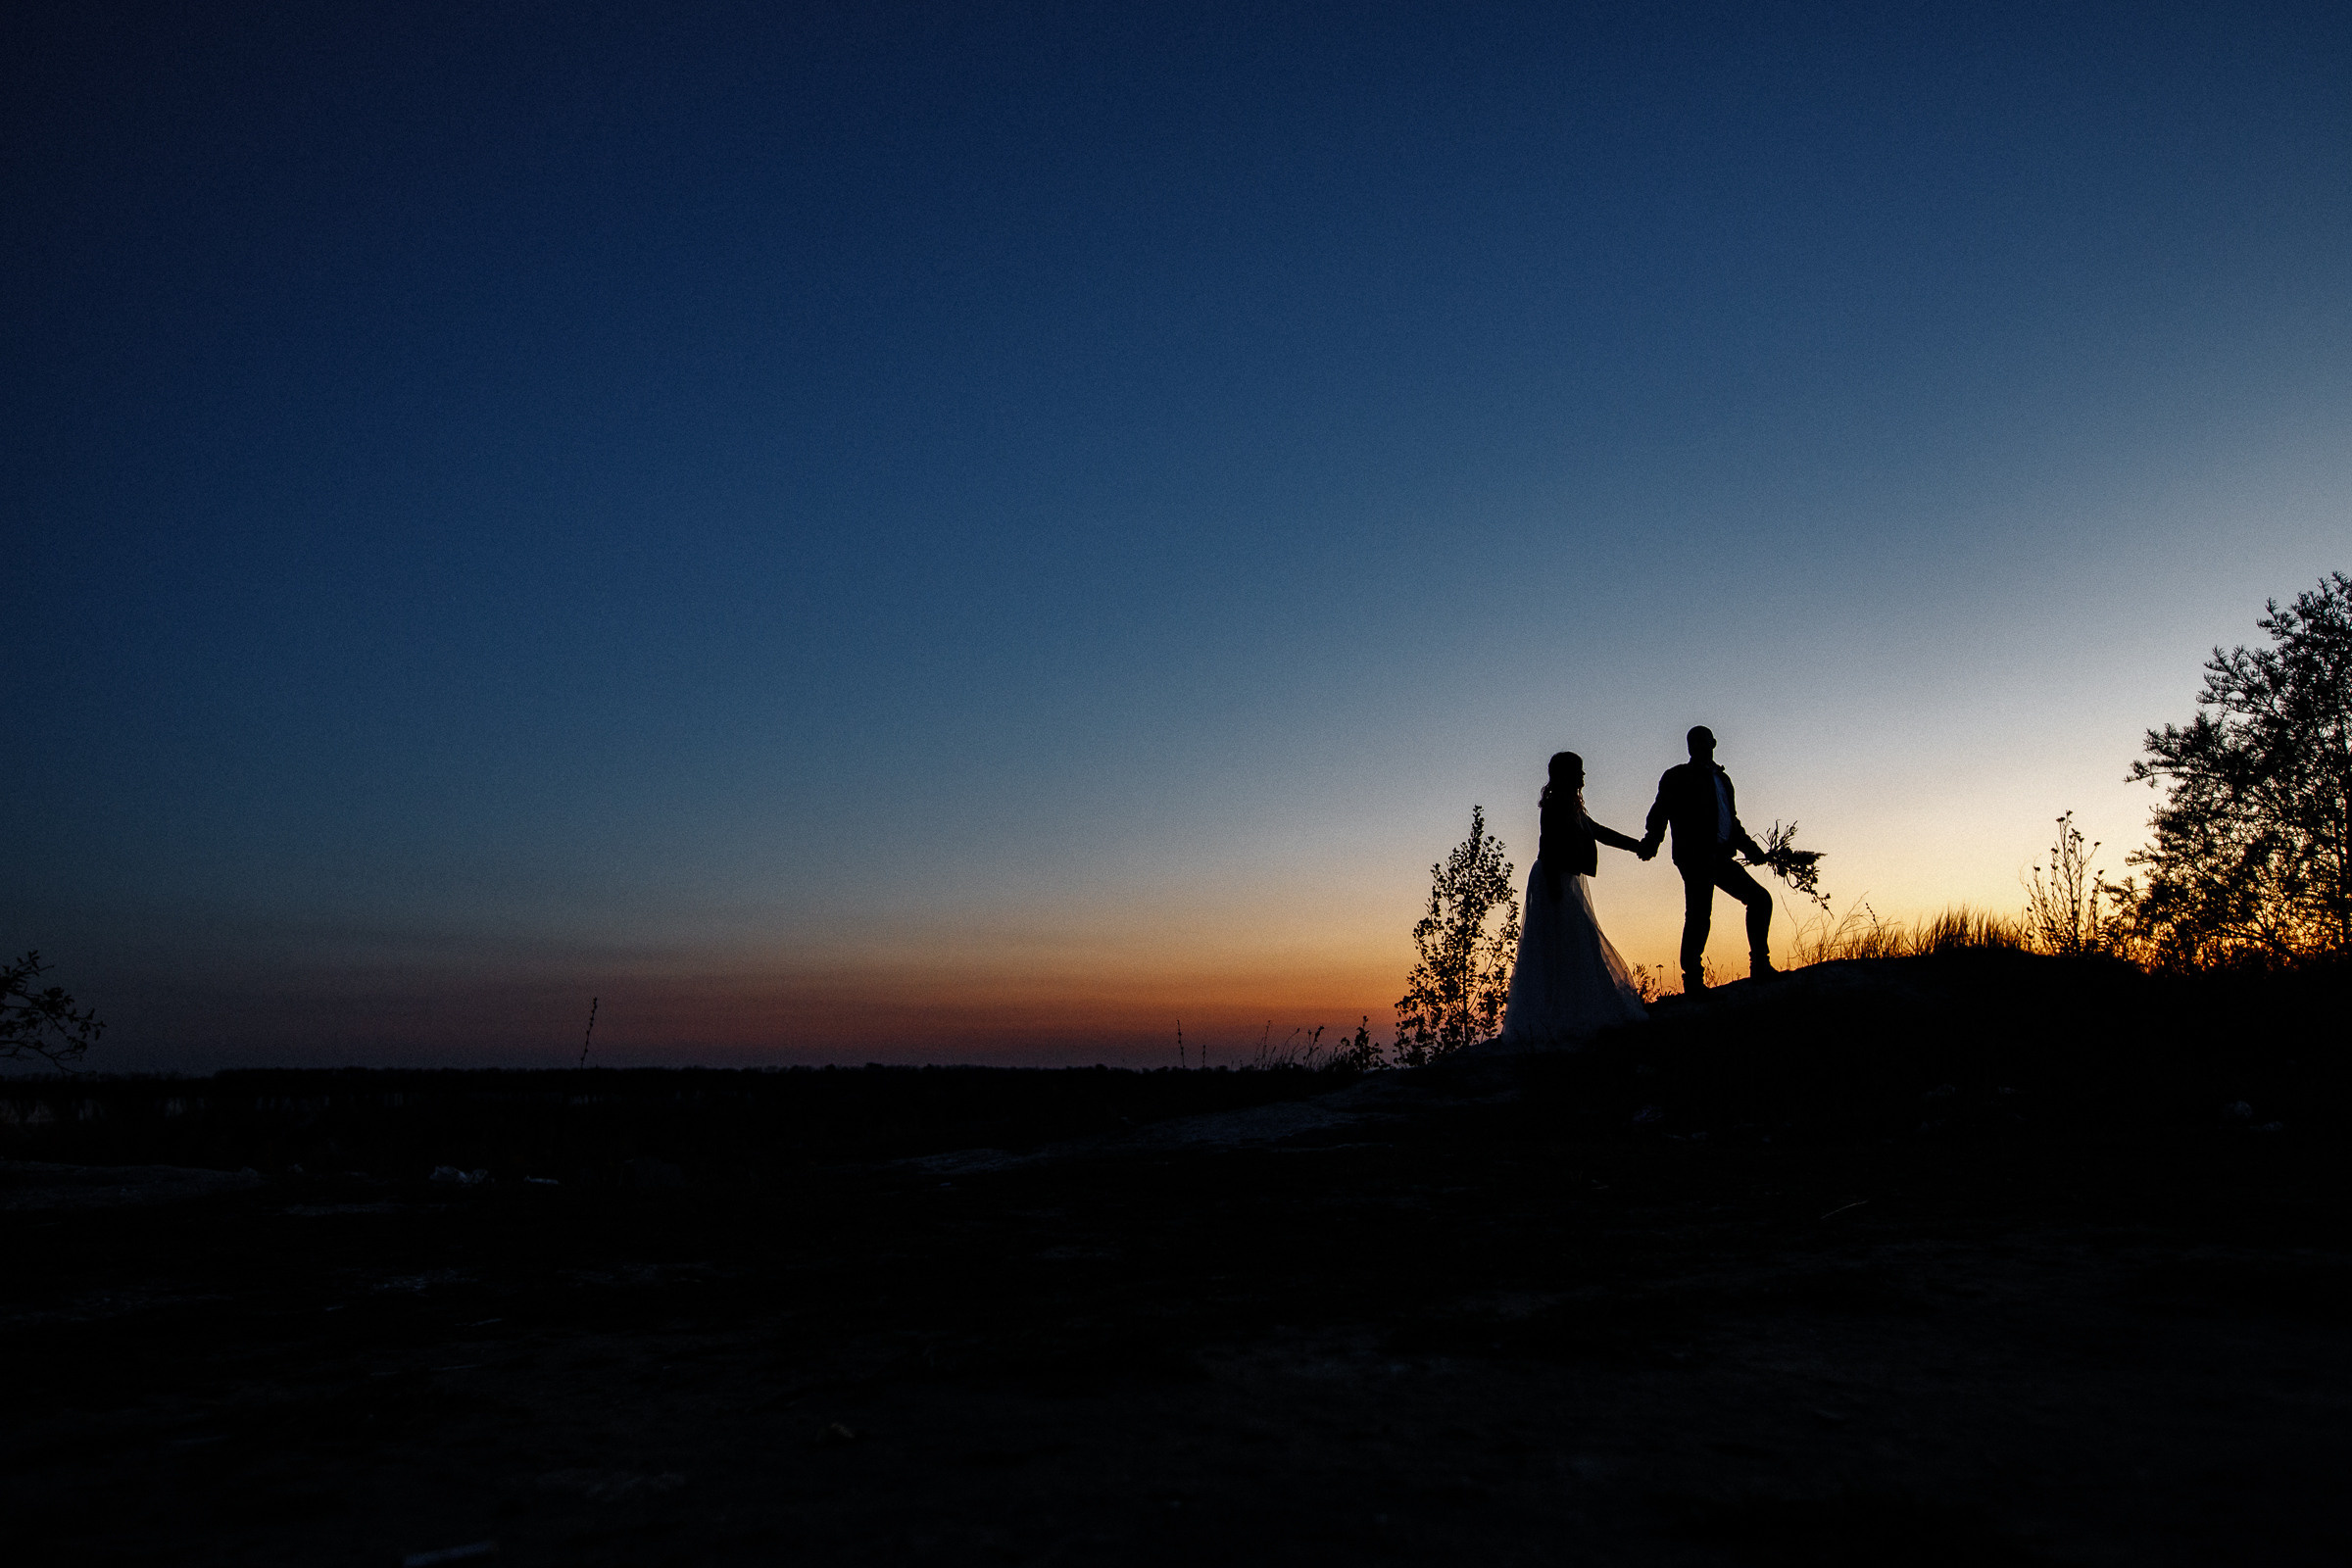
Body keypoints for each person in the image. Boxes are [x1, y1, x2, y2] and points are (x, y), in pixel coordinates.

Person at [1490, 751, 1648, 1050]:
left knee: (1579, 943)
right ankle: (1563, 1016)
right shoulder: (1554, 806)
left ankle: (1575, 1009)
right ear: (1567, 774)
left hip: (1561, 878)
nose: (1584, 777)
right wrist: (1554, 890)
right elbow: (1548, 848)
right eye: (1580, 772)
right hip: (1554, 880)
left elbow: (1598, 832)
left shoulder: (1569, 806)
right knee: (1564, 944)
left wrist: (1635, 846)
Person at [1639, 725, 1776, 994]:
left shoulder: (1723, 780)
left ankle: (1760, 965)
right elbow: (1660, 811)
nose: (1699, 747)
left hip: (1720, 855)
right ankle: (1693, 980)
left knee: (1759, 899)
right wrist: (1652, 841)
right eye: (1695, 743)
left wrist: (1750, 848)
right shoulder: (1677, 777)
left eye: (1703, 742)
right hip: (1694, 856)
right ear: (1689, 747)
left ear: (1713, 744)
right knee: (1700, 915)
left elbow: (1730, 821)